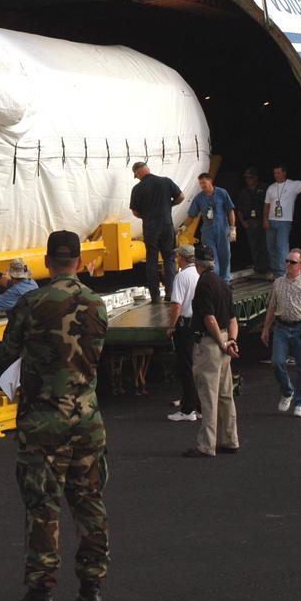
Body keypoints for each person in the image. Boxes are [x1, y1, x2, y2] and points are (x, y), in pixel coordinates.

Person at [3, 231, 110, 601]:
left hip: (44, 419)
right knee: (89, 502)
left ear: (47, 262)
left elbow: (11, 346)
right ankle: (91, 588)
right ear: (79, 263)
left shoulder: (32, 303)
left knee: (43, 507)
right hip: (87, 418)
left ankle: (41, 590)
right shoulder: (97, 304)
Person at [183, 247, 240, 458]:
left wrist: (220, 343)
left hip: (209, 344)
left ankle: (207, 445)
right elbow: (233, 318)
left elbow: (209, 318)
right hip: (225, 339)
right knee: (226, 395)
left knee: (208, 396)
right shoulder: (223, 284)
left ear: (197, 264)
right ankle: (230, 438)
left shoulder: (204, 284)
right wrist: (231, 341)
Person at [260, 247, 301, 418]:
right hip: (281, 327)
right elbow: (272, 307)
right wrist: (266, 328)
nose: (288, 264)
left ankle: (300, 402)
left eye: (292, 262)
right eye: (287, 261)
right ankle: (287, 391)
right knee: (277, 362)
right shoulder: (278, 283)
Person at [128, 161, 185, 304]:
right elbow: (181, 197)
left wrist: (146, 215)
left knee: (152, 260)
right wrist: (169, 205)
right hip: (166, 225)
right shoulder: (165, 181)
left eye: (136, 175)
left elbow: (135, 212)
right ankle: (171, 293)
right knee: (169, 259)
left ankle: (155, 297)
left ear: (138, 172)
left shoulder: (137, 188)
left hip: (150, 228)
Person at [263, 165, 301, 276]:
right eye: (275, 173)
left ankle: (282, 273)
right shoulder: (271, 187)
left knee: (281, 247)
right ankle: (275, 270)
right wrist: (265, 219)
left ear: (284, 173)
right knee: (270, 246)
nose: (276, 175)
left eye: (278, 173)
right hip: (271, 220)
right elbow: (266, 205)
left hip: (285, 221)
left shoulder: (292, 185)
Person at [166, 244, 201, 422]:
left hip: (185, 325)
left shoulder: (181, 277)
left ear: (182, 258)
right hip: (199, 324)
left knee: (185, 367)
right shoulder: (199, 274)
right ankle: (199, 406)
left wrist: (172, 326)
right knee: (198, 367)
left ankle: (188, 410)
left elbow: (176, 305)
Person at [182, 172, 236, 282]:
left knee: (225, 255)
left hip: (222, 229)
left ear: (210, 181)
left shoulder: (222, 193)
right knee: (211, 257)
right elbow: (191, 215)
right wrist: (183, 226)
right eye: (200, 183)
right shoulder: (199, 198)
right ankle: (215, 280)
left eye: (204, 182)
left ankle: (225, 281)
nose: (202, 185)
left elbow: (230, 210)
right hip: (208, 232)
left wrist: (232, 227)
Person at [236, 167, 270, 277]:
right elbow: (239, 209)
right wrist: (243, 222)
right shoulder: (243, 192)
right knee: (254, 246)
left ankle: (267, 267)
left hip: (263, 220)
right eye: (247, 178)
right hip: (250, 222)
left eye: (250, 177)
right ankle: (258, 268)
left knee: (265, 245)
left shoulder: (264, 188)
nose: (248, 180)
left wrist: (267, 219)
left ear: (256, 177)